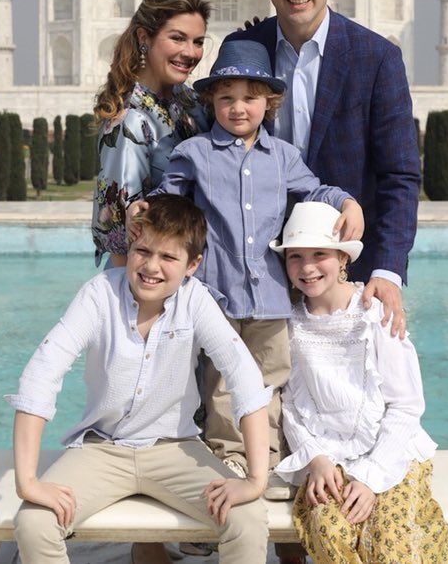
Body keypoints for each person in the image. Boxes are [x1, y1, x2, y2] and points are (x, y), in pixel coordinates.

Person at [130, 39, 364, 475]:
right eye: (226, 98)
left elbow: (315, 191)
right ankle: (230, 459)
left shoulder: (283, 157)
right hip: (216, 295)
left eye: (250, 98)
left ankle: (270, 459)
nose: (239, 108)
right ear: (211, 101)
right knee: (221, 383)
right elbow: (168, 199)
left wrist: (347, 202)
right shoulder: (194, 153)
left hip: (271, 297)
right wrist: (143, 208)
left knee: (271, 381)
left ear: (269, 103)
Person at [10, 195, 271, 564]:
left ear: (192, 264)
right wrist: (28, 482)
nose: (151, 266)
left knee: (247, 518)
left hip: (175, 449)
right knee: (34, 523)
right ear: (130, 246)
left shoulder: (195, 301)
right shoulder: (99, 294)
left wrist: (255, 480)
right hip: (102, 450)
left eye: (168, 257)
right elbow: (42, 372)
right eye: (143, 251)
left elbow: (244, 377)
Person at [226, 0, 421, 339]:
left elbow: (399, 175)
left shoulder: (375, 58)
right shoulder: (243, 49)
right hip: (256, 270)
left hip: (344, 271)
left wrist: (387, 269)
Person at [272, 201, 448, 564]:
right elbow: (290, 403)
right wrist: (316, 459)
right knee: (329, 526)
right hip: (329, 455)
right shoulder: (289, 325)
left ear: (342, 258)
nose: (307, 267)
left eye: (319, 253)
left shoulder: (375, 313)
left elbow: (406, 406)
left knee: (389, 536)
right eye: (295, 256)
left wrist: (370, 477)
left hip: (390, 453)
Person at [92, 0, 211, 268]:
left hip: (192, 268)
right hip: (148, 279)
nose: (190, 52)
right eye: (178, 38)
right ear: (144, 37)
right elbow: (121, 238)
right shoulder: (130, 119)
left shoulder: (190, 101)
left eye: (198, 41)